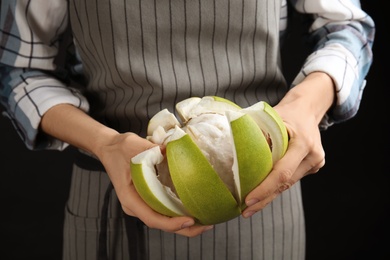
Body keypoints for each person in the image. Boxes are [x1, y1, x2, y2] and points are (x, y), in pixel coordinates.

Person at [0, 0, 375, 259]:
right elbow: (20, 70)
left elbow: (345, 25)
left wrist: (305, 106)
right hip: (116, 201)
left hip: (266, 201)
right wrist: (106, 142)